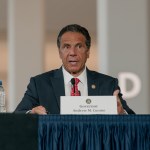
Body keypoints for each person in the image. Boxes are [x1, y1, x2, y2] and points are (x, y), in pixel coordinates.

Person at [15, 24, 135, 114]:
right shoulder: (39, 84)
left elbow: (133, 120)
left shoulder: (108, 84)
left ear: (88, 52)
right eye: (66, 47)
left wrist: (122, 114)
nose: (72, 53)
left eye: (79, 46)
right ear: (59, 53)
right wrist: (31, 114)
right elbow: (17, 116)